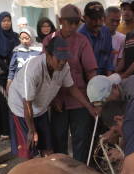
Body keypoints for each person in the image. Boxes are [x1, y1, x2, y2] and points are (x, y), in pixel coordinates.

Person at [8, 37, 100, 160]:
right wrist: (31, 130)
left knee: (48, 150)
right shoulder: (33, 70)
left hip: (40, 109)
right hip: (21, 109)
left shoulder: (64, 67)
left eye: (65, 58)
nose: (62, 62)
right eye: (59, 58)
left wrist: (89, 106)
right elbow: (27, 103)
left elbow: (71, 88)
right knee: (28, 150)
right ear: (48, 55)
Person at [43, 4, 98, 163]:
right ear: (61, 20)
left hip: (79, 98)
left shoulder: (82, 41)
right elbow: (46, 72)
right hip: (57, 99)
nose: (74, 26)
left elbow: (91, 72)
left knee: (81, 139)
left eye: (76, 23)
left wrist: (94, 100)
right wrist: (53, 99)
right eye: (70, 22)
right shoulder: (49, 40)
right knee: (59, 138)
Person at [0, 12, 19, 138]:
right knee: (3, 103)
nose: (6, 23)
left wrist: (12, 68)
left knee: (16, 102)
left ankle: (16, 129)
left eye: (8, 20)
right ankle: (4, 130)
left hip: (15, 74)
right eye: (4, 21)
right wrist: (6, 67)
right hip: (0, 76)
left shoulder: (15, 37)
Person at [79, 1, 115, 76]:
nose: (98, 22)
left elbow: (108, 55)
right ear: (85, 18)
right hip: (86, 77)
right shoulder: (80, 36)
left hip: (104, 75)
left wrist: (109, 79)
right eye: (93, 19)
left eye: (100, 18)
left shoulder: (106, 31)